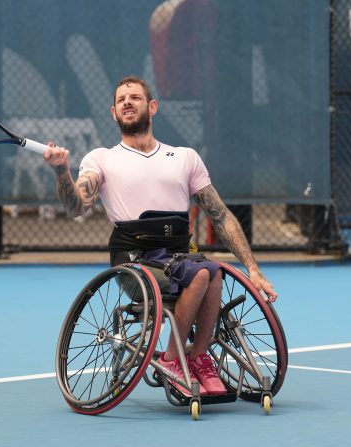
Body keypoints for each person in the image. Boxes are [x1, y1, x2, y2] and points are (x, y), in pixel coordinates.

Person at [43, 75, 278, 396]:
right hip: (135, 264)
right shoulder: (101, 159)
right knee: (202, 273)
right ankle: (171, 358)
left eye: (135, 97)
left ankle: (197, 358)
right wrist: (61, 171)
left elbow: (220, 215)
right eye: (121, 99)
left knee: (215, 272)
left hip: (181, 257)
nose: (127, 102)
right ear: (113, 112)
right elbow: (77, 206)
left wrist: (253, 269)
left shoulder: (185, 157)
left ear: (152, 107)